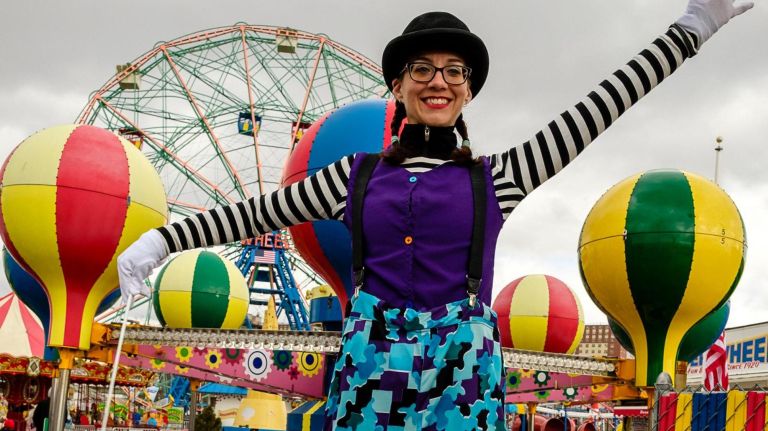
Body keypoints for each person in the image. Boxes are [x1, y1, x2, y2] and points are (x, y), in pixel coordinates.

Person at [117, 2, 754, 429]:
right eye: (421, 69)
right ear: (398, 86)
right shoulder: (354, 177)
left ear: (468, 89)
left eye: (453, 71)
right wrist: (161, 241)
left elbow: (598, 109)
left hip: (462, 372)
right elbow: (257, 211)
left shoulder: (496, 178)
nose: (438, 81)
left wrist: (694, 26)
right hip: (370, 364)